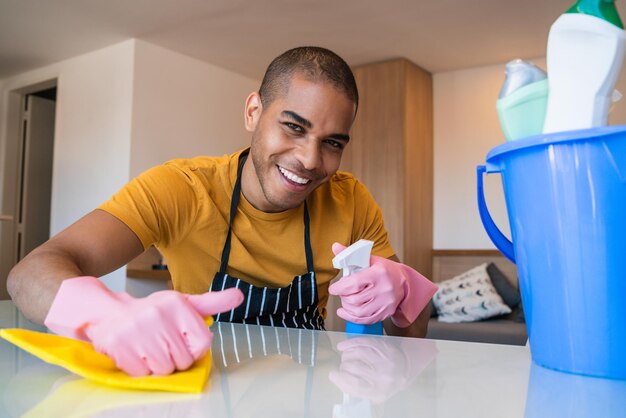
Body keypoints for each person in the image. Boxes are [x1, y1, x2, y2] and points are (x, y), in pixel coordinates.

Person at [7, 46, 437, 377]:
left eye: (333, 143)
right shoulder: (181, 187)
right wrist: (104, 315)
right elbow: (30, 275)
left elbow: (412, 338)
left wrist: (403, 294)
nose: (309, 159)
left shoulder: (352, 200)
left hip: (313, 393)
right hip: (205, 390)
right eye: (293, 126)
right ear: (254, 112)